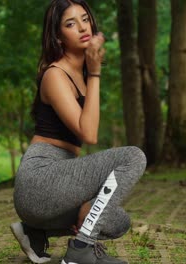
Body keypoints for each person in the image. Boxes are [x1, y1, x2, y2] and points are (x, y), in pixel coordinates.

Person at [10, 0, 147, 263]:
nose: (83, 27)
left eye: (85, 19)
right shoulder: (55, 74)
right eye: (70, 24)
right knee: (133, 157)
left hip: (60, 185)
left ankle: (35, 231)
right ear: (58, 37)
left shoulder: (80, 73)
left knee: (118, 221)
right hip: (40, 179)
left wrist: (91, 73)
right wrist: (95, 73)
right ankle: (81, 249)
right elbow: (89, 134)